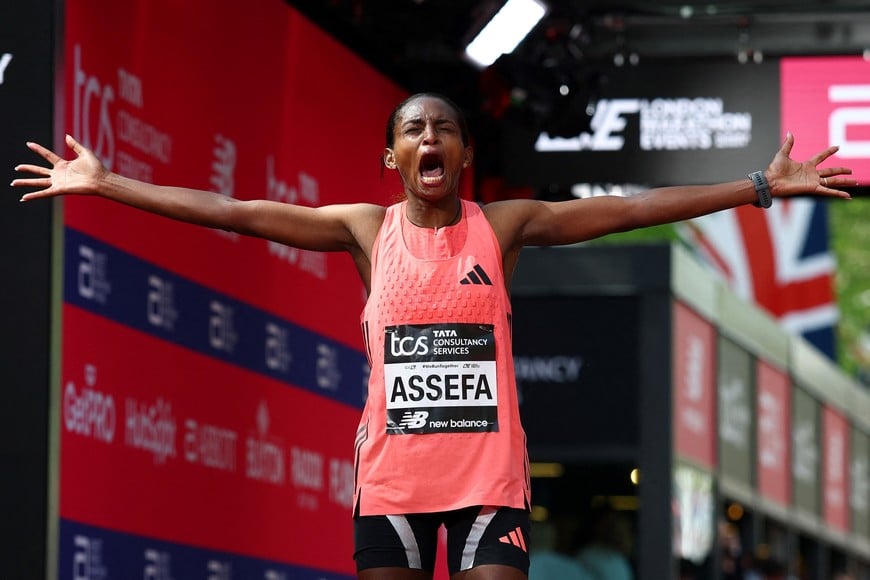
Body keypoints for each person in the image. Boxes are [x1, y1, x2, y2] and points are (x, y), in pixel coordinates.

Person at [12, 93, 855, 580]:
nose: (429, 138)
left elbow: (630, 209)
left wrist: (754, 186)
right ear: (391, 157)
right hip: (393, 487)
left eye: (443, 128)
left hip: (490, 484)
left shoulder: (506, 224)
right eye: (413, 129)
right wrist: (108, 182)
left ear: (464, 153)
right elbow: (234, 212)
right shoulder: (362, 229)